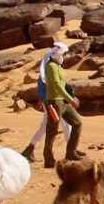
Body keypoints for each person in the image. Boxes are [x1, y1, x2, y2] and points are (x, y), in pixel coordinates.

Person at [26, 36, 84, 167]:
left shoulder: (58, 67)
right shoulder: (51, 67)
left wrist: (70, 97)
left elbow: (63, 84)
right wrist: (70, 99)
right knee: (51, 130)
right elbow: (57, 85)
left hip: (63, 101)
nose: (64, 56)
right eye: (63, 53)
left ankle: (71, 151)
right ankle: (48, 158)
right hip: (54, 102)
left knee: (77, 123)